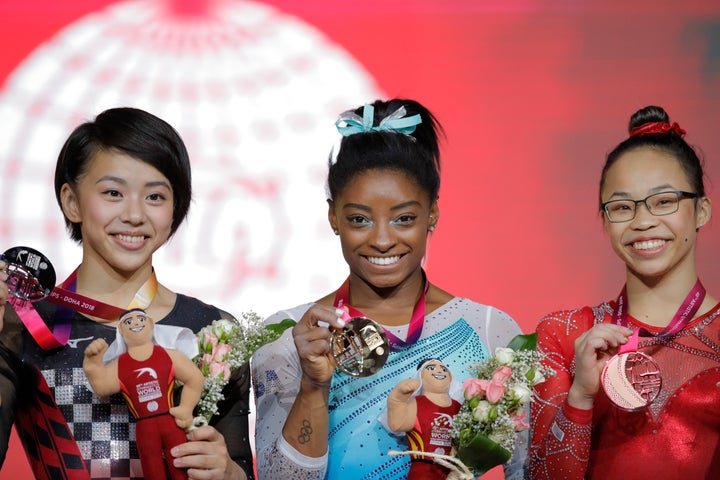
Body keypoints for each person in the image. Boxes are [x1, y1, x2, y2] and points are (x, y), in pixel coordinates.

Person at [252, 98, 525, 479]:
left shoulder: (488, 329)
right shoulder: (292, 337)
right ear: (333, 217)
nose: (382, 240)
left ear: (433, 214)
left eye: (404, 219)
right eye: (360, 219)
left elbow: (527, 469)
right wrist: (314, 386)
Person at [0, 107, 253, 479]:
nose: (135, 215)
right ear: (71, 201)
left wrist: (228, 473)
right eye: (113, 192)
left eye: (155, 197)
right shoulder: (25, 324)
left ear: (175, 208)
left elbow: (240, 465)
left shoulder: (213, 330)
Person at [529, 105, 720, 479]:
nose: (643, 220)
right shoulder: (565, 334)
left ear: (701, 211)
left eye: (664, 201)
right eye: (621, 207)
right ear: (604, 220)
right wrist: (581, 396)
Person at [83, 308, 204, 479]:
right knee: (151, 468)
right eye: (129, 321)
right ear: (121, 330)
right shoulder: (120, 364)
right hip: (144, 428)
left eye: (141, 318)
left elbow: (195, 378)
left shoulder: (168, 355)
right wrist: (93, 366)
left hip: (171, 421)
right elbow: (102, 387)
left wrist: (186, 407)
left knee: (181, 464)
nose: (136, 323)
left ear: (151, 324)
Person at [386, 358, 463, 479]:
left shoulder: (458, 407)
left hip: (454, 472)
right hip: (423, 471)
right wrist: (398, 398)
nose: (439, 371)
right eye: (431, 368)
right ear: (421, 375)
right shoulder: (416, 403)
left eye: (443, 369)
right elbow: (397, 424)